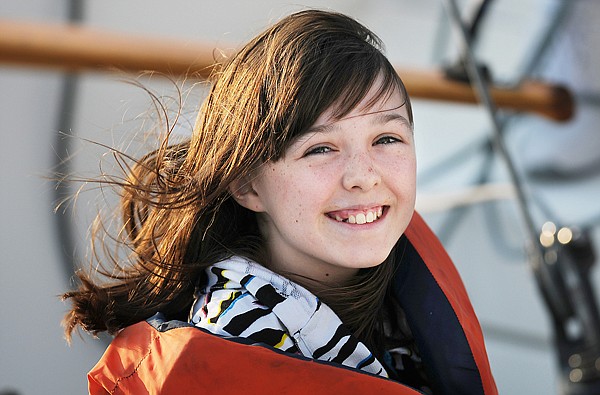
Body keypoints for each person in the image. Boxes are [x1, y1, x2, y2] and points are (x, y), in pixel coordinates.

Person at [63, 9, 497, 394]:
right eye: (319, 149)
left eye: (387, 139)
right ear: (247, 185)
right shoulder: (230, 356)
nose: (365, 177)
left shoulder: (397, 299)